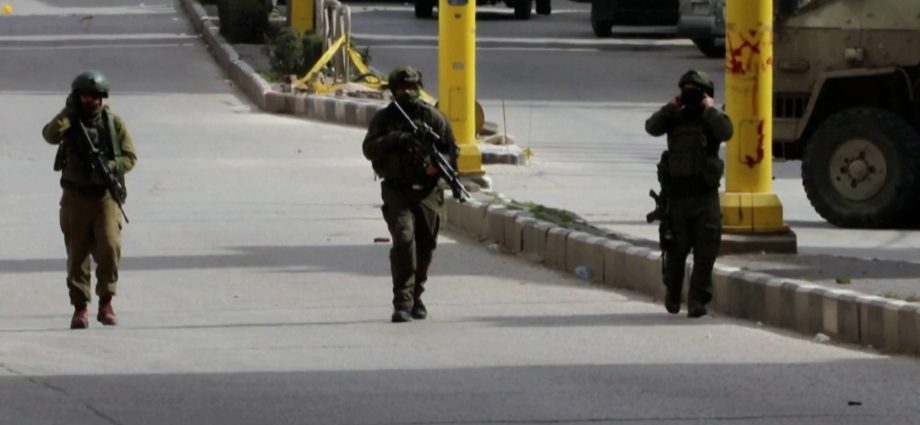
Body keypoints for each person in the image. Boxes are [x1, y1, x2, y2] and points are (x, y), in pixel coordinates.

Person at [42, 70, 137, 329]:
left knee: (109, 247)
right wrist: (67, 114)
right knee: (77, 254)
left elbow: (130, 157)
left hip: (104, 197)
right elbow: (50, 135)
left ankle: (106, 302)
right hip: (75, 197)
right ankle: (80, 308)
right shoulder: (70, 122)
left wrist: (107, 165)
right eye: (84, 96)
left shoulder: (113, 124)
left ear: (102, 97)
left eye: (94, 96)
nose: (89, 100)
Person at [362, 65, 458, 323]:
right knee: (404, 241)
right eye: (402, 88)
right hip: (397, 190)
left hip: (428, 191)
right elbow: (369, 149)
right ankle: (402, 302)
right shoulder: (384, 119)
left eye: (412, 87)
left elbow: (451, 152)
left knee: (425, 246)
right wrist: (395, 139)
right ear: (394, 91)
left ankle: (416, 295)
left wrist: (435, 166)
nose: (408, 92)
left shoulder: (435, 118)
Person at [645, 70, 733, 318]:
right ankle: (673, 293)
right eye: (688, 91)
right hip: (678, 199)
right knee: (676, 250)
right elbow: (651, 127)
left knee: (706, 250)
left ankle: (697, 299)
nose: (691, 96)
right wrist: (671, 107)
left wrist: (709, 109)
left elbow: (727, 131)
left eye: (697, 91)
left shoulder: (711, 120)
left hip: (705, 197)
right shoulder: (675, 117)